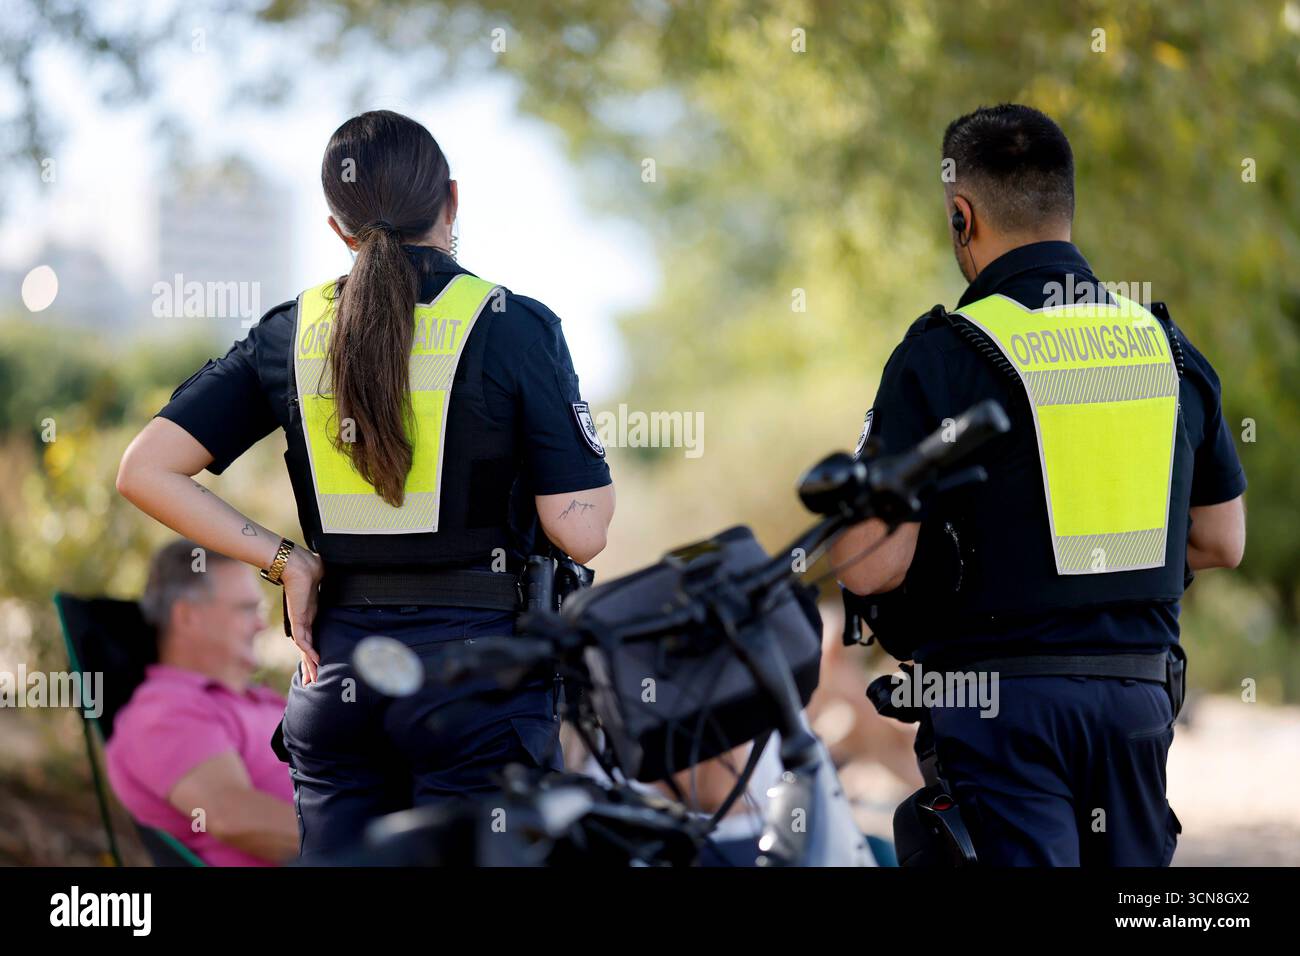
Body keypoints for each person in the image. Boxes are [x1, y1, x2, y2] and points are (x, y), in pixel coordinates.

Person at [117, 109, 616, 859]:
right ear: (451, 199)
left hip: (337, 681)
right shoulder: (516, 325)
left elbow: (145, 470)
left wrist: (287, 561)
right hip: (475, 690)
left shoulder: (290, 333)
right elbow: (580, 529)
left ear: (337, 226)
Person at [831, 104, 1246, 866]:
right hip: (1137, 702)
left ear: (962, 215)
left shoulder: (941, 355)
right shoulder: (1167, 348)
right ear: (1066, 205)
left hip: (997, 710)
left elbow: (871, 566)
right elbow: (1223, 539)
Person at [106, 539, 297, 865]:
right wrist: (376, 838)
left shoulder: (261, 699)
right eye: (246, 609)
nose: (261, 625)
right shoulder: (164, 711)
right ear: (187, 616)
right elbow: (231, 816)